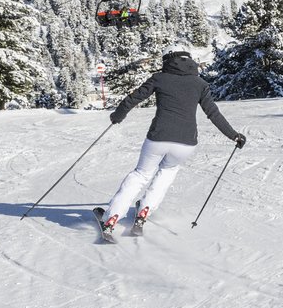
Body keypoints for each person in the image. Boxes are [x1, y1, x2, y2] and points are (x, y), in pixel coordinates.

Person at [101, 50, 245, 234]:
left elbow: (134, 98)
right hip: (186, 143)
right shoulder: (200, 83)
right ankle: (145, 210)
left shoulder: (160, 78)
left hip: (158, 137)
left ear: (169, 61)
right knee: (167, 173)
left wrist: (117, 116)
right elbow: (213, 113)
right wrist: (234, 135)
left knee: (141, 175)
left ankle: (112, 217)